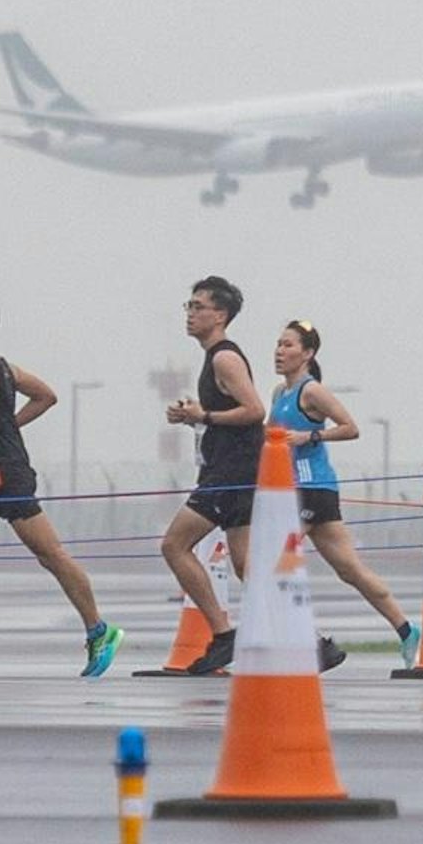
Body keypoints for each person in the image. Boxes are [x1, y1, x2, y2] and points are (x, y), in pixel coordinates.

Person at [0, 295, 122, 677]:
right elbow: (46, 396)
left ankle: (100, 631)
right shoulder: (4, 367)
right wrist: (9, 426)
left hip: (8, 476)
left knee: (52, 555)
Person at [273, 319, 420, 669]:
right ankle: (407, 630)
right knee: (350, 570)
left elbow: (350, 428)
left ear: (308, 353)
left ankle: (313, 643)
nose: (279, 351)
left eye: (288, 345)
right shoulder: (279, 393)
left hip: (313, 489)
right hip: (294, 490)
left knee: (273, 563)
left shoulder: (312, 391)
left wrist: (310, 436)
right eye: (278, 344)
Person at [161, 276, 266, 675]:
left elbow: (255, 411)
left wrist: (203, 414)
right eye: (188, 306)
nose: (190, 314)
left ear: (220, 315)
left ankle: (223, 634)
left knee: (174, 545)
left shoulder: (225, 358)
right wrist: (193, 417)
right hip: (233, 468)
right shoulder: (214, 358)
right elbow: (229, 414)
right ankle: (305, 637)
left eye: (198, 307)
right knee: (245, 563)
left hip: (231, 472)